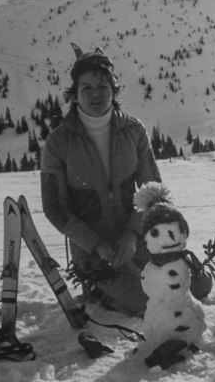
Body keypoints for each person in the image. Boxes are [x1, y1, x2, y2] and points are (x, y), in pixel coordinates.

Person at [41, 43, 161, 316]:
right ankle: (98, 291)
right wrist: (96, 244)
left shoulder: (133, 130)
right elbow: (55, 208)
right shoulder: (59, 142)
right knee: (148, 304)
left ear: (114, 91)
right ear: (75, 94)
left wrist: (132, 235)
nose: (96, 94)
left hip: (136, 241)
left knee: (194, 285)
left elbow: (151, 189)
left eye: (103, 87)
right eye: (87, 88)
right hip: (93, 251)